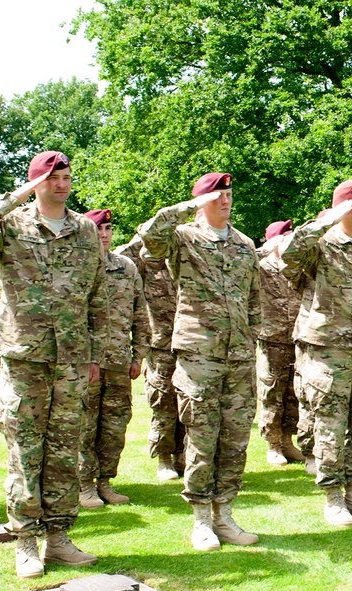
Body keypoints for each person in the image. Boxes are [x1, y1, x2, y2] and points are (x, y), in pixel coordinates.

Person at [0, 151, 106, 578]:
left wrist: (95, 352)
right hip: (25, 356)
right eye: (53, 177)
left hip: (72, 358)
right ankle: (25, 541)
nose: (62, 184)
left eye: (67, 176)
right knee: (25, 449)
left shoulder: (85, 230)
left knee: (63, 450)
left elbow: (97, 294)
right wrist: (15, 196)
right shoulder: (10, 228)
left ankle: (57, 539)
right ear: (36, 182)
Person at [139, 172, 261, 550]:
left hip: (239, 354)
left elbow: (254, 297)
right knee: (202, 437)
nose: (225, 201)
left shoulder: (244, 244)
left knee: (235, 439)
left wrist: (251, 335)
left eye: (229, 194)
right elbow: (150, 237)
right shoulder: (183, 238)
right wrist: (188, 208)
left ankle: (225, 514)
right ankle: (201, 520)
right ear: (198, 203)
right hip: (199, 353)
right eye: (216, 196)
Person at [281, 179, 352, 526]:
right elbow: (288, 254)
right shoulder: (320, 245)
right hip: (327, 349)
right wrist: (325, 221)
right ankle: (333, 498)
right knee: (331, 424)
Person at [78, 210, 149, 508]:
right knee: (84, 424)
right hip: (85, 363)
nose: (105, 234)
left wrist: (139, 354)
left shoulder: (126, 267)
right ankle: (82, 485)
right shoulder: (77, 265)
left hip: (118, 361)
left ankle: (104, 482)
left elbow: (139, 313)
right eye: (98, 228)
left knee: (114, 426)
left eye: (108, 228)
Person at [116, 234, 185, 480]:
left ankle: (183, 456)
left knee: (189, 400)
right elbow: (122, 255)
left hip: (190, 343)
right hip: (161, 345)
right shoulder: (148, 263)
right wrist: (148, 236)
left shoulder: (185, 259)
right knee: (163, 402)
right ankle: (164, 459)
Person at [256, 220, 304, 466]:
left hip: (296, 336)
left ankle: (287, 440)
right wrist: (269, 247)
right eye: (284, 236)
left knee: (293, 394)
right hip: (272, 338)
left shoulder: (297, 267)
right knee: (272, 391)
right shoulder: (261, 266)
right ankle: (273, 445)